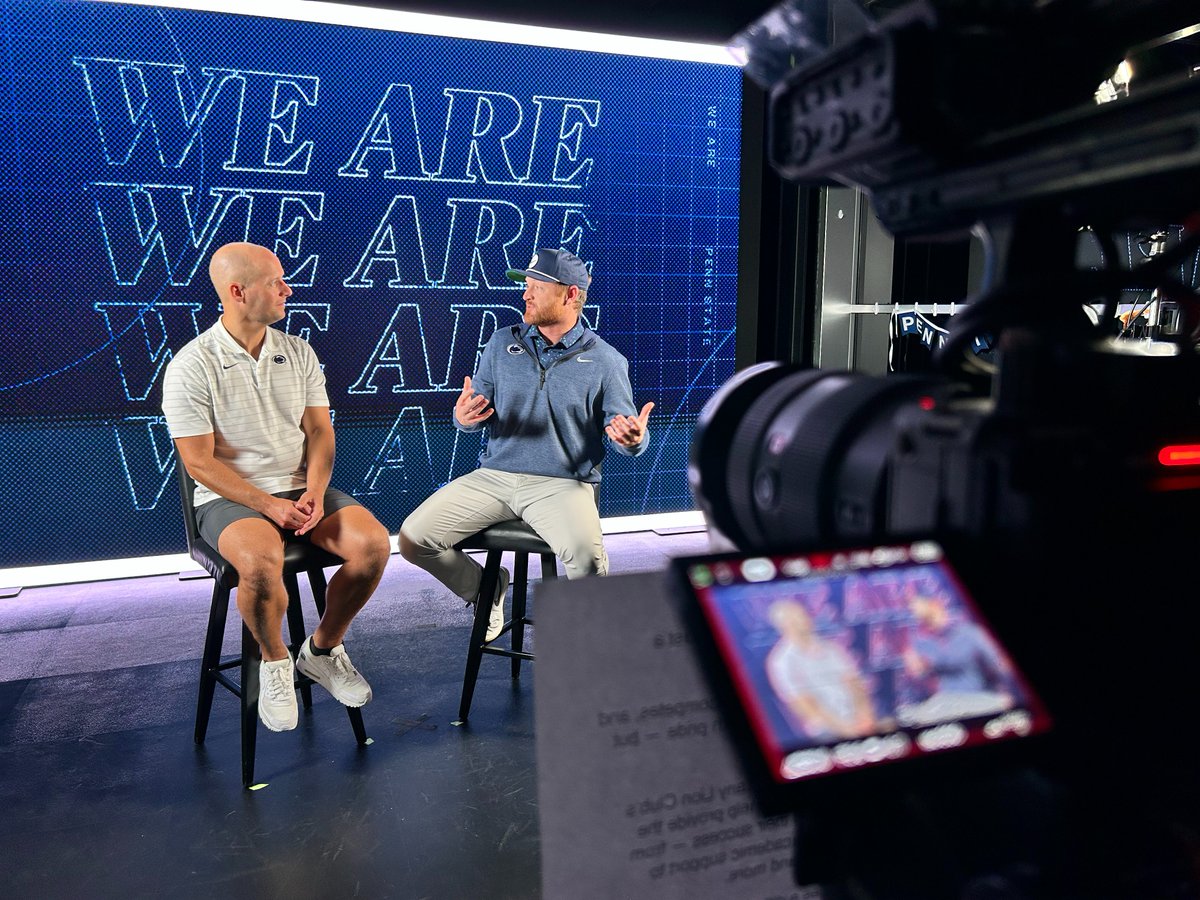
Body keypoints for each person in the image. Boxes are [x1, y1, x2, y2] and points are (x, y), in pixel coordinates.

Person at [162, 242, 391, 733]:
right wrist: (267, 504)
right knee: (262, 564)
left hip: (298, 490)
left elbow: (320, 432)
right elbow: (198, 462)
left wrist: (312, 491)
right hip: (231, 499)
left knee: (372, 545)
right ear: (238, 292)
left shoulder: (299, 351)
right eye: (276, 282)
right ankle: (275, 661)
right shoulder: (190, 365)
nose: (288, 289)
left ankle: (323, 650)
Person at [399, 248, 654, 640]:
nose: (526, 295)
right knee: (414, 540)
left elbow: (625, 435)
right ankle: (485, 587)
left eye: (537, 287)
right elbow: (471, 411)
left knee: (587, 564)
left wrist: (633, 440)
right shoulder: (502, 344)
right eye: (527, 286)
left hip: (563, 484)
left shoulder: (606, 361)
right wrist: (462, 418)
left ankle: (595, 657)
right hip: (494, 477)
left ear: (570, 295)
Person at [764, 598, 877, 742]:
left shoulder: (831, 648)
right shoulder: (781, 661)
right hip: (827, 731)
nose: (805, 619)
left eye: (804, 614)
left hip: (859, 721)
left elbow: (854, 682)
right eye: (797, 617)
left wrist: (865, 715)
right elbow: (803, 704)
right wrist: (846, 730)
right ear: (785, 624)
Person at [899, 587, 1016, 725]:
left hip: (978, 699)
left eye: (915, 603)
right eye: (910, 606)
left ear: (934, 603)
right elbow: (921, 680)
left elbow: (1000, 667)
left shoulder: (969, 633)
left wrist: (1006, 694)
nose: (912, 609)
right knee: (907, 716)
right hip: (945, 703)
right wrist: (916, 670)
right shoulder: (920, 643)